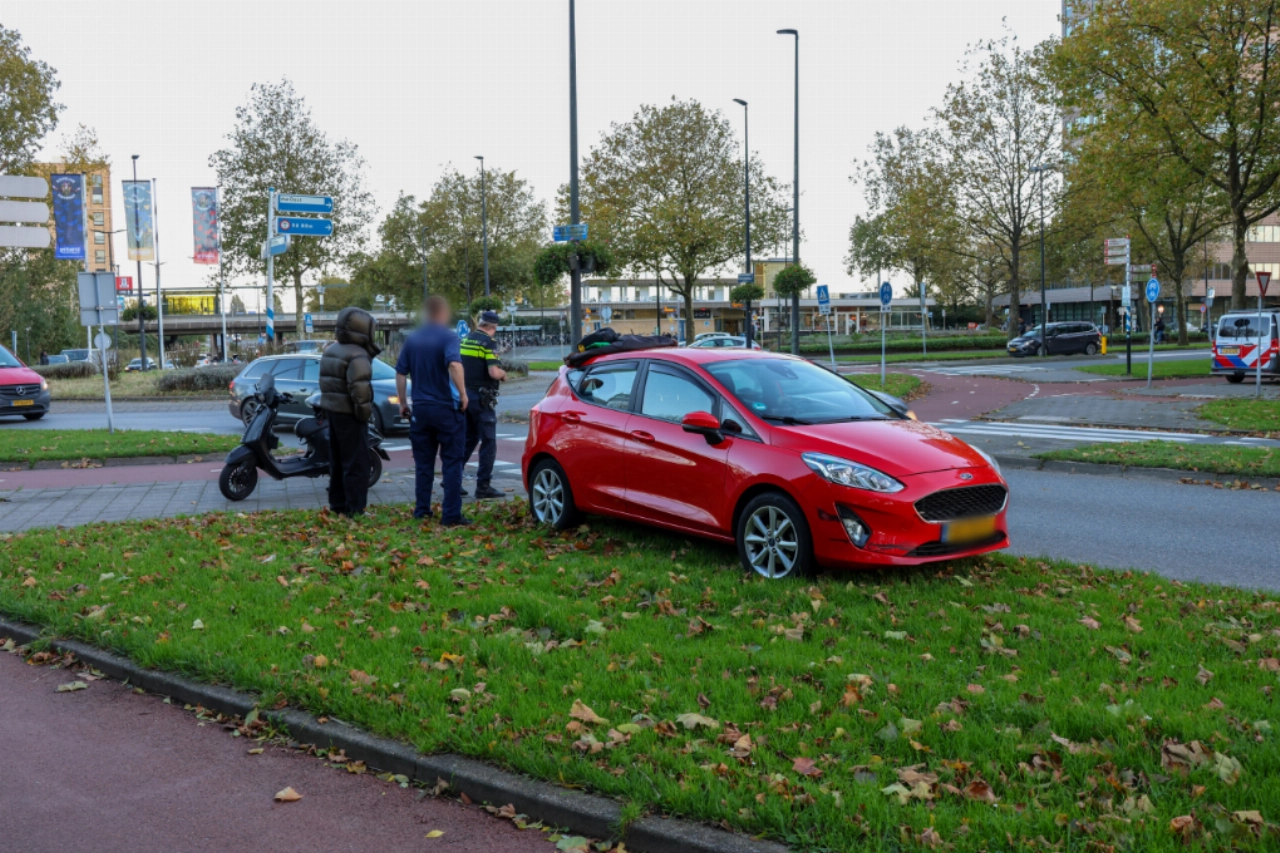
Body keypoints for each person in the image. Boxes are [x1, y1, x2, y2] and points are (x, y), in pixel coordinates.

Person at [396, 295, 470, 525]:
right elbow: (455, 364)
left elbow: (400, 373)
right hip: (446, 409)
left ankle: (422, 510)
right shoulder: (449, 336)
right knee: (451, 462)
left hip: (420, 410)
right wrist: (464, 393)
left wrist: (403, 403)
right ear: (442, 313)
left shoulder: (413, 339)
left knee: (424, 463)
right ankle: (451, 515)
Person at [317, 307, 380, 518]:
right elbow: (360, 390)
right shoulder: (358, 355)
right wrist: (364, 414)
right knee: (357, 462)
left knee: (337, 460)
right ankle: (356, 509)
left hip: (332, 411)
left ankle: (338, 505)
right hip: (350, 414)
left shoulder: (331, 350)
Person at [460, 310, 508, 500]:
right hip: (482, 398)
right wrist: (504, 374)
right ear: (494, 327)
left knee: (468, 439)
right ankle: (483, 487)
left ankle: (451, 480)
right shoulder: (489, 343)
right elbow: (494, 372)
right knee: (488, 443)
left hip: (466, 396)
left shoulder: (465, 340)